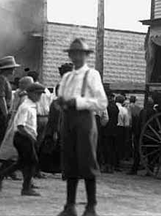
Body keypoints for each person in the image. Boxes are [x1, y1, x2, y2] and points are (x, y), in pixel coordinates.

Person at [55, 38, 108, 216]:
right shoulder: (67, 77)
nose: (77, 57)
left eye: (80, 53)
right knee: (69, 161)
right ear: (69, 55)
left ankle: (91, 206)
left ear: (86, 56)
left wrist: (78, 101)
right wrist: (60, 102)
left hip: (85, 120)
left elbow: (102, 102)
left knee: (87, 161)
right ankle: (70, 206)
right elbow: (61, 97)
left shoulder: (92, 74)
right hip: (67, 119)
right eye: (73, 53)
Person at [0, 83, 47, 196]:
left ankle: (0, 176)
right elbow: (21, 125)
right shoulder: (26, 107)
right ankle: (25, 187)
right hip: (23, 137)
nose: (39, 97)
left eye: (40, 94)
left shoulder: (32, 106)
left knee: (24, 161)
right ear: (30, 94)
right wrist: (30, 136)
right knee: (31, 161)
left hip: (25, 137)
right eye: (37, 94)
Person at [27, 70, 53, 178]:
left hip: (35, 118)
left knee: (31, 144)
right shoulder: (45, 90)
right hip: (45, 118)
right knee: (39, 145)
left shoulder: (30, 91)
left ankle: (32, 169)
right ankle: (35, 169)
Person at [101, 93, 119, 174]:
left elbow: (105, 118)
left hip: (106, 130)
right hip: (114, 130)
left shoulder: (106, 107)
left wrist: (103, 126)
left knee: (106, 148)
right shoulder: (116, 107)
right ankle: (111, 166)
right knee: (112, 149)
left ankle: (106, 165)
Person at [128, 96, 142, 175]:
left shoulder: (129, 107)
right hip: (138, 128)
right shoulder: (139, 108)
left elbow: (129, 118)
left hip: (132, 128)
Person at [115, 94, 130, 171]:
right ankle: (117, 163)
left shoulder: (112, 107)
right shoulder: (124, 110)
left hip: (113, 128)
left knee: (112, 146)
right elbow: (127, 123)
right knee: (119, 146)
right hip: (121, 129)